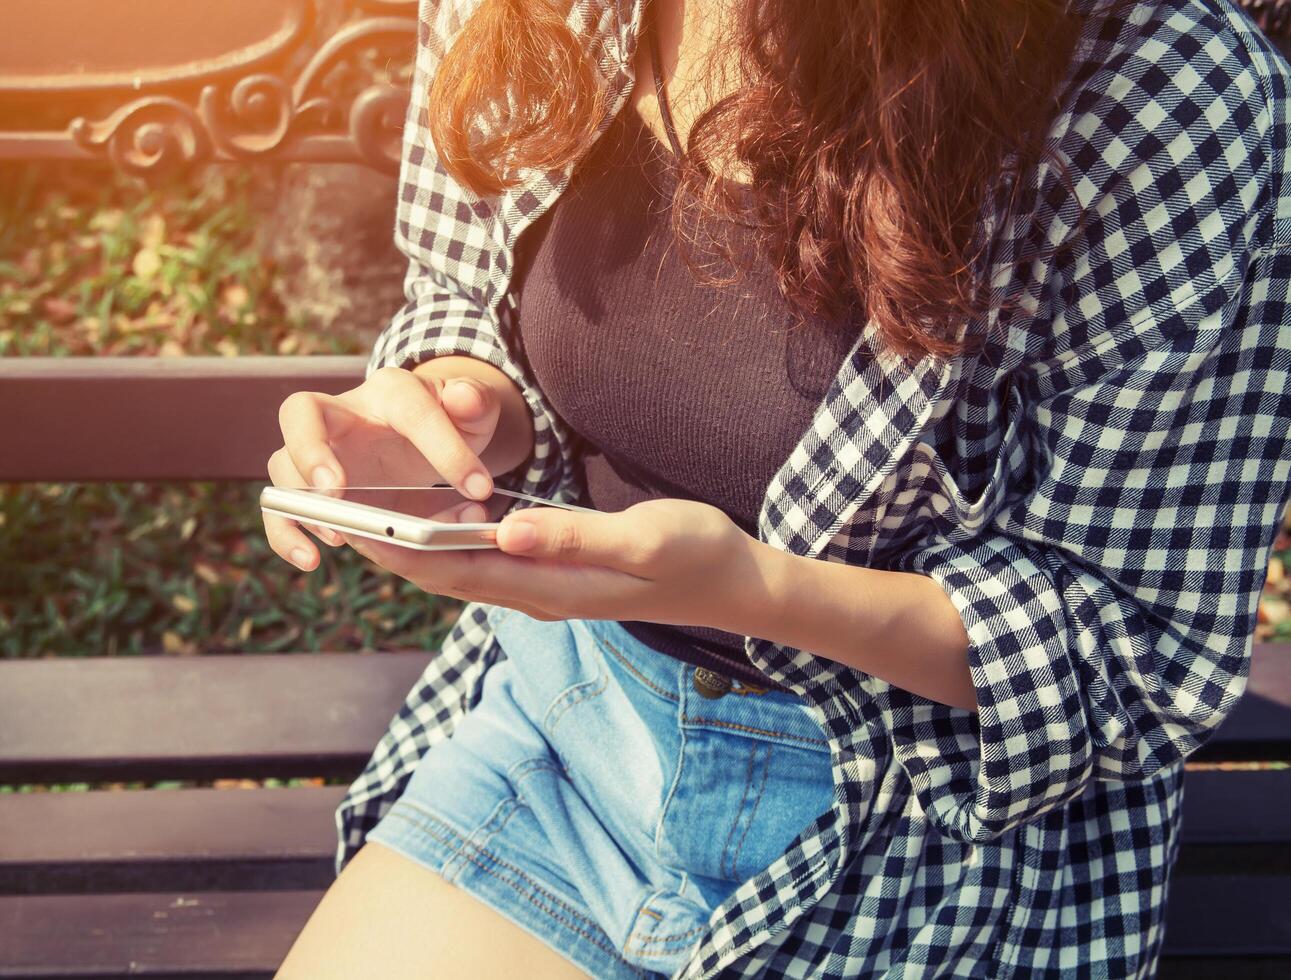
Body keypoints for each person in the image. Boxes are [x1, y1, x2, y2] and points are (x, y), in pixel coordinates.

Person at [264, 0, 1291, 976]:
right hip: (566, 730)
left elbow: (1127, 647)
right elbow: (464, 291)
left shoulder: (1155, 83)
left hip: (925, 828)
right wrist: (458, 408)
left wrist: (752, 593)